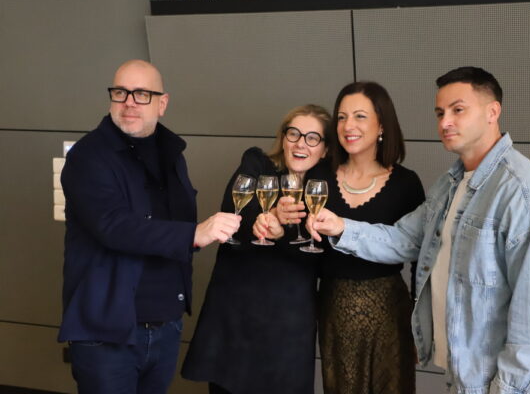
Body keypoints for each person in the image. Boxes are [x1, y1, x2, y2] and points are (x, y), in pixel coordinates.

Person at [310, 67, 530, 393]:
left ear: (492, 112)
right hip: (463, 373)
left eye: (458, 110)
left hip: (499, 385)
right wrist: (340, 226)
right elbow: (404, 239)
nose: (445, 122)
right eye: (440, 113)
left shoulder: (525, 195)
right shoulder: (450, 185)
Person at [58, 59, 241, 394]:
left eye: (142, 94)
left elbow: (173, 224)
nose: (129, 102)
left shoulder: (172, 154)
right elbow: (112, 226)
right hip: (106, 333)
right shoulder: (87, 156)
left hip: (166, 325)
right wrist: (194, 234)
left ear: (162, 103)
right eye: (121, 92)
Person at [279, 82, 424, 393]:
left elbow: (419, 259)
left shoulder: (406, 183)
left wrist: (417, 325)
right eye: (342, 117)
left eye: (360, 116)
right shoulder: (319, 176)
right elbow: (301, 245)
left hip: (390, 311)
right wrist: (281, 222)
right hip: (334, 308)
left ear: (381, 125)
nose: (348, 126)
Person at [181, 104, 331, 394]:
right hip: (237, 316)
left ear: (325, 150)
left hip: (289, 323)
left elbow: (325, 250)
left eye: (312, 138)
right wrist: (267, 218)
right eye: (294, 134)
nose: (301, 143)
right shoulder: (258, 163)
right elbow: (232, 210)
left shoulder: (327, 188)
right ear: (283, 138)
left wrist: (282, 232)